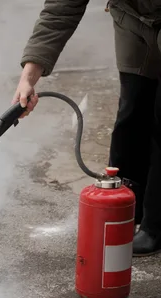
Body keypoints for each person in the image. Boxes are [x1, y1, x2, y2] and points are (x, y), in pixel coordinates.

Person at [14, 0, 161, 256]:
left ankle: (156, 224)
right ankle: (125, 208)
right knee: (131, 111)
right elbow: (61, 8)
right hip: (132, 19)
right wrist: (29, 76)